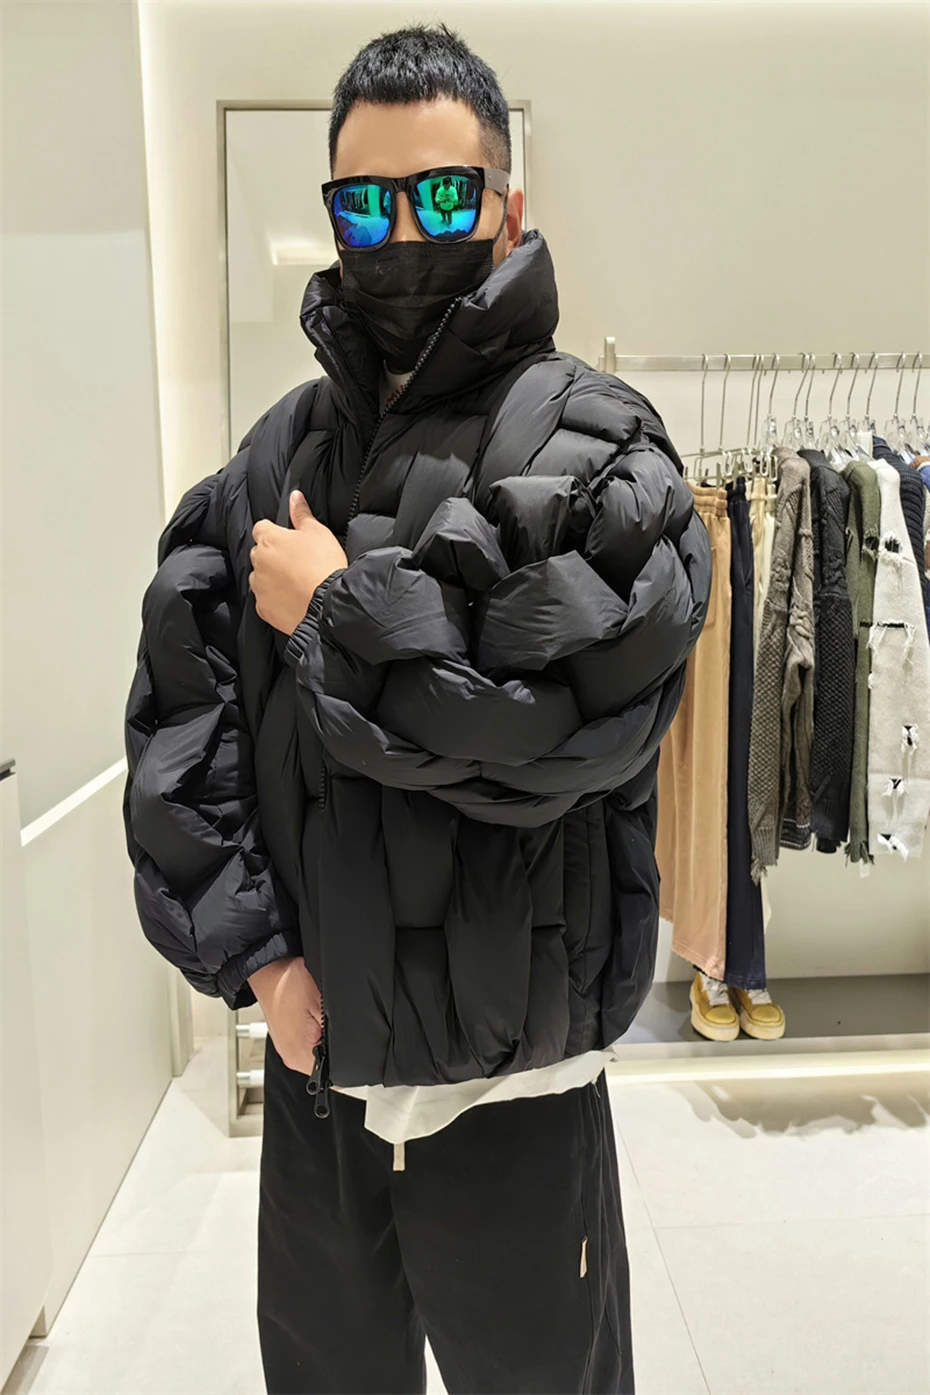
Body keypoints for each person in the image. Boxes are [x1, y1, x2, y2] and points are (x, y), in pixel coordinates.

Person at [123, 23, 710, 1395]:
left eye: (441, 196)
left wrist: (334, 611)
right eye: (364, 204)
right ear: (330, 214)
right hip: (320, 1085)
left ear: (505, 204)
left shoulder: (601, 447)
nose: (401, 235)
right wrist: (265, 966)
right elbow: (184, 734)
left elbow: (556, 730)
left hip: (515, 1091)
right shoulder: (273, 458)